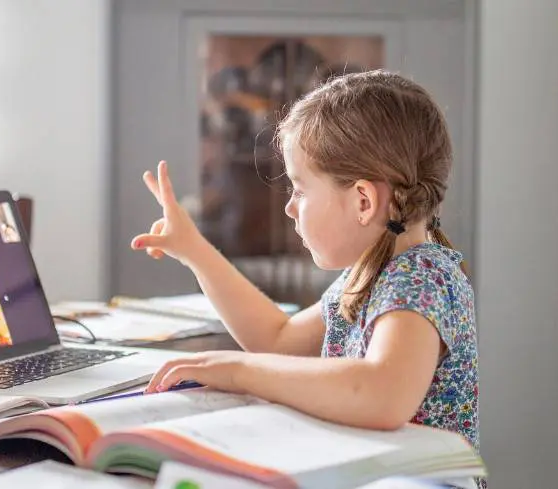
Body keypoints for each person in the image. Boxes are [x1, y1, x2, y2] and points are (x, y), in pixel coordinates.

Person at [132, 71, 482, 487]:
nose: (290, 209)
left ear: (364, 201)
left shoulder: (420, 277)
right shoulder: (373, 271)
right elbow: (278, 338)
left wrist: (242, 371)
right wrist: (194, 250)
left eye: (299, 189)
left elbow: (382, 395)